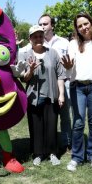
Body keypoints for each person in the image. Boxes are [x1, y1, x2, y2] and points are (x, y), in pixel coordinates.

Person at [61, 12, 92, 171]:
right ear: (76, 28)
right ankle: (77, 156)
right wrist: (67, 68)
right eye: (80, 26)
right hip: (77, 87)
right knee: (78, 122)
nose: (83, 27)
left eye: (86, 24)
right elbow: (69, 70)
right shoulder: (73, 44)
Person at [19, 25, 66, 166]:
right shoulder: (24, 54)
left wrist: (61, 94)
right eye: (35, 36)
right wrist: (31, 70)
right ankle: (38, 153)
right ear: (30, 39)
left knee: (52, 125)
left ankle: (52, 153)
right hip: (33, 97)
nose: (38, 38)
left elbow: (60, 75)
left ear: (44, 37)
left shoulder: (53, 53)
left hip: (51, 95)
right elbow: (23, 78)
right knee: (36, 126)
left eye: (40, 35)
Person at [38, 14, 72, 153]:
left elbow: (71, 62)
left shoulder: (64, 42)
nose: (42, 27)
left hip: (65, 83)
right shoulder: (37, 43)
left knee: (65, 115)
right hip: (47, 85)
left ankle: (66, 142)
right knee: (48, 115)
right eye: (40, 24)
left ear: (52, 25)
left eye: (45, 24)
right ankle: (48, 143)